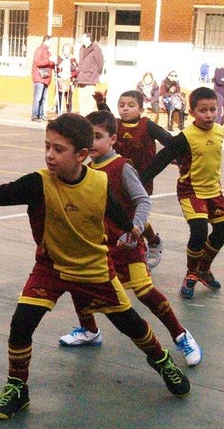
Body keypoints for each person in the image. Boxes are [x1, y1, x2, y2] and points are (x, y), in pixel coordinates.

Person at [0, 113, 191, 421]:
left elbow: (114, 209)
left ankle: (162, 360)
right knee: (21, 323)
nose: (50, 154)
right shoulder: (37, 183)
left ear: (81, 155)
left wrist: (130, 227)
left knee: (129, 323)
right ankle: (17, 388)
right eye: (47, 146)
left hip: (93, 268)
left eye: (59, 149)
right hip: (50, 267)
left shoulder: (99, 182)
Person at [57, 110, 202, 366]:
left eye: (98, 137)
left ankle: (181, 335)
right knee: (78, 283)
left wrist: (134, 228)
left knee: (145, 291)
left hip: (129, 244)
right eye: (88, 137)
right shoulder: (87, 171)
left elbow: (142, 200)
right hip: (102, 246)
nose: (91, 143)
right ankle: (89, 330)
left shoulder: (121, 167)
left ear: (113, 139)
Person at [136, 86, 224, 302]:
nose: (208, 115)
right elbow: (161, 159)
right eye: (203, 110)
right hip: (191, 191)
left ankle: (203, 270)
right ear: (192, 112)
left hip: (213, 190)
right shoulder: (184, 138)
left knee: (223, 230)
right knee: (199, 231)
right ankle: (191, 273)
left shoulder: (219, 132)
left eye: (212, 110)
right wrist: (140, 181)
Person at [94, 89, 173, 268]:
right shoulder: (116, 124)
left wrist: (176, 156)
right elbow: (104, 121)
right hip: (119, 174)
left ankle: (150, 243)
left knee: (133, 212)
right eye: (121, 106)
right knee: (122, 213)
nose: (125, 109)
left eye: (131, 105)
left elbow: (169, 141)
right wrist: (101, 103)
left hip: (143, 178)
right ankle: (134, 245)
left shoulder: (147, 125)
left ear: (141, 109)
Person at [75, 33, 104, 114]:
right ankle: (82, 118)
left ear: (88, 39)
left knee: (89, 101)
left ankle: (89, 119)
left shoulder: (96, 49)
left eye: (83, 38)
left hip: (91, 79)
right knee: (82, 100)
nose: (82, 40)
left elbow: (100, 64)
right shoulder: (82, 48)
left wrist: (96, 74)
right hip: (81, 79)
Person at [30, 35, 53, 122]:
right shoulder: (39, 49)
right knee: (38, 97)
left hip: (45, 78)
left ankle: (41, 114)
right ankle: (35, 115)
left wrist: (53, 62)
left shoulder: (48, 52)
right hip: (39, 77)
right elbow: (37, 62)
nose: (51, 43)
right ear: (46, 40)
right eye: (50, 41)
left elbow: (50, 63)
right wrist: (49, 60)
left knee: (43, 98)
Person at [54, 43, 77, 115]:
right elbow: (55, 69)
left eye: (68, 49)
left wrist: (72, 78)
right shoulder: (59, 58)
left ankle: (68, 113)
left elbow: (75, 70)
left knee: (68, 98)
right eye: (65, 49)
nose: (66, 51)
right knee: (59, 96)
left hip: (69, 80)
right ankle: (58, 112)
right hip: (60, 79)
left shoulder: (73, 59)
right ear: (63, 49)